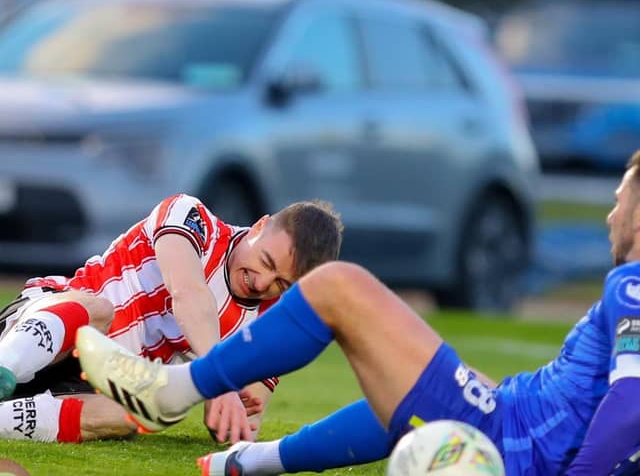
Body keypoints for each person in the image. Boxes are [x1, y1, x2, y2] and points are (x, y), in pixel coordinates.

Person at [75, 149, 640, 476]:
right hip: (511, 417)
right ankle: (249, 462)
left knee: (340, 285)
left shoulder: (633, 284)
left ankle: (176, 389)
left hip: (513, 441)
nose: (612, 211)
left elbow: (631, 403)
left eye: (621, 195)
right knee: (421, 389)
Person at [0, 193, 343, 445]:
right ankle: (5, 365)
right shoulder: (193, 218)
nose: (263, 284)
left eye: (282, 283)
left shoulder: (270, 323)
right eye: (267, 262)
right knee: (99, 310)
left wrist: (227, 414)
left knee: (142, 412)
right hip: (50, 321)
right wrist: (218, 378)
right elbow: (188, 294)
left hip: (95, 381)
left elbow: (243, 426)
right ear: (260, 226)